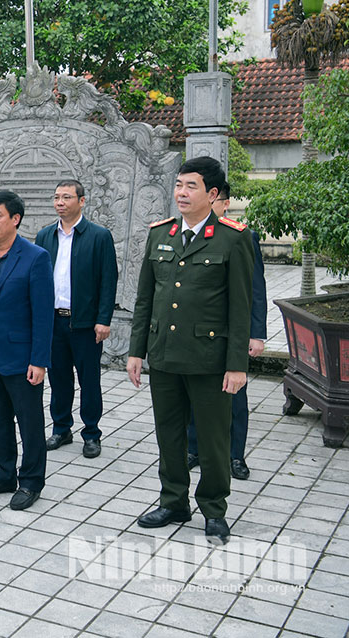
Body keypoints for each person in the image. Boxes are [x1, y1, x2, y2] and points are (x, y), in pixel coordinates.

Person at [127, 156, 254, 546]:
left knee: (213, 440)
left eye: (191, 186)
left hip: (208, 360)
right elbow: (145, 299)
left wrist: (236, 365)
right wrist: (136, 351)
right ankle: (174, 502)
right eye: (179, 185)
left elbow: (240, 308)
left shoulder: (233, 238)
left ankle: (214, 509)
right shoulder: (160, 234)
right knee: (169, 436)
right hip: (164, 356)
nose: (181, 193)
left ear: (212, 194)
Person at [0, 191, 54, 511]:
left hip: (21, 356)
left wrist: (39, 361)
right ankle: (4, 473)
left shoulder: (35, 257)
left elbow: (43, 315)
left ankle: (31, 481)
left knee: (29, 422)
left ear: (15, 219)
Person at [187, 182, 267, 480]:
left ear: (224, 203)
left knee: (234, 397)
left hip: (231, 334)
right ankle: (194, 448)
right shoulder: (188, 236)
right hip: (196, 334)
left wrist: (256, 334)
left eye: (214, 201)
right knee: (193, 394)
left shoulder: (243, 237)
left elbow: (255, 289)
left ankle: (235, 455)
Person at [34, 180, 118, 459]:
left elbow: (108, 280)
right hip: (54, 321)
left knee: (89, 380)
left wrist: (103, 319)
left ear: (81, 201)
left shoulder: (99, 236)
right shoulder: (45, 235)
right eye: (56, 197)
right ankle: (61, 428)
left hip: (85, 323)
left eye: (66, 197)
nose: (60, 202)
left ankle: (91, 433)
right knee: (58, 379)